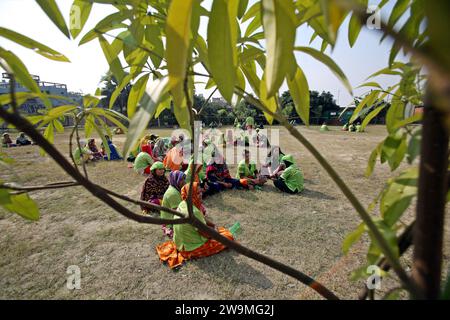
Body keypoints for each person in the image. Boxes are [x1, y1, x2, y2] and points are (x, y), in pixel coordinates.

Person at [155, 182, 234, 269]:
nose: (201, 195)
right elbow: (205, 234)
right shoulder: (193, 212)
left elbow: (202, 219)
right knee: (228, 237)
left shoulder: (183, 204)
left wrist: (213, 225)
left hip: (180, 243)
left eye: (200, 192)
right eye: (197, 193)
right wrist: (215, 232)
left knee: (220, 230)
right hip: (190, 249)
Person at [160, 170, 186, 238]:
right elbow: (178, 212)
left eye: (184, 179)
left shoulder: (176, 188)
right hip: (170, 223)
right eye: (181, 179)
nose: (184, 182)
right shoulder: (173, 193)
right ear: (175, 180)